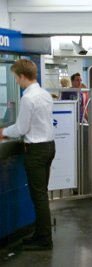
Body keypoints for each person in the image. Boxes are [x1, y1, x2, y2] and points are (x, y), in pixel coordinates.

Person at [0, 59, 55, 251]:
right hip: (49, 147)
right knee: (41, 194)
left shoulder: (27, 98)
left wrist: (3, 132)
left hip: (36, 150)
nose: (16, 81)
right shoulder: (45, 94)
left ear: (23, 76)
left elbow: (22, 128)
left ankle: (45, 240)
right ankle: (40, 234)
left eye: (16, 77)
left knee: (38, 196)